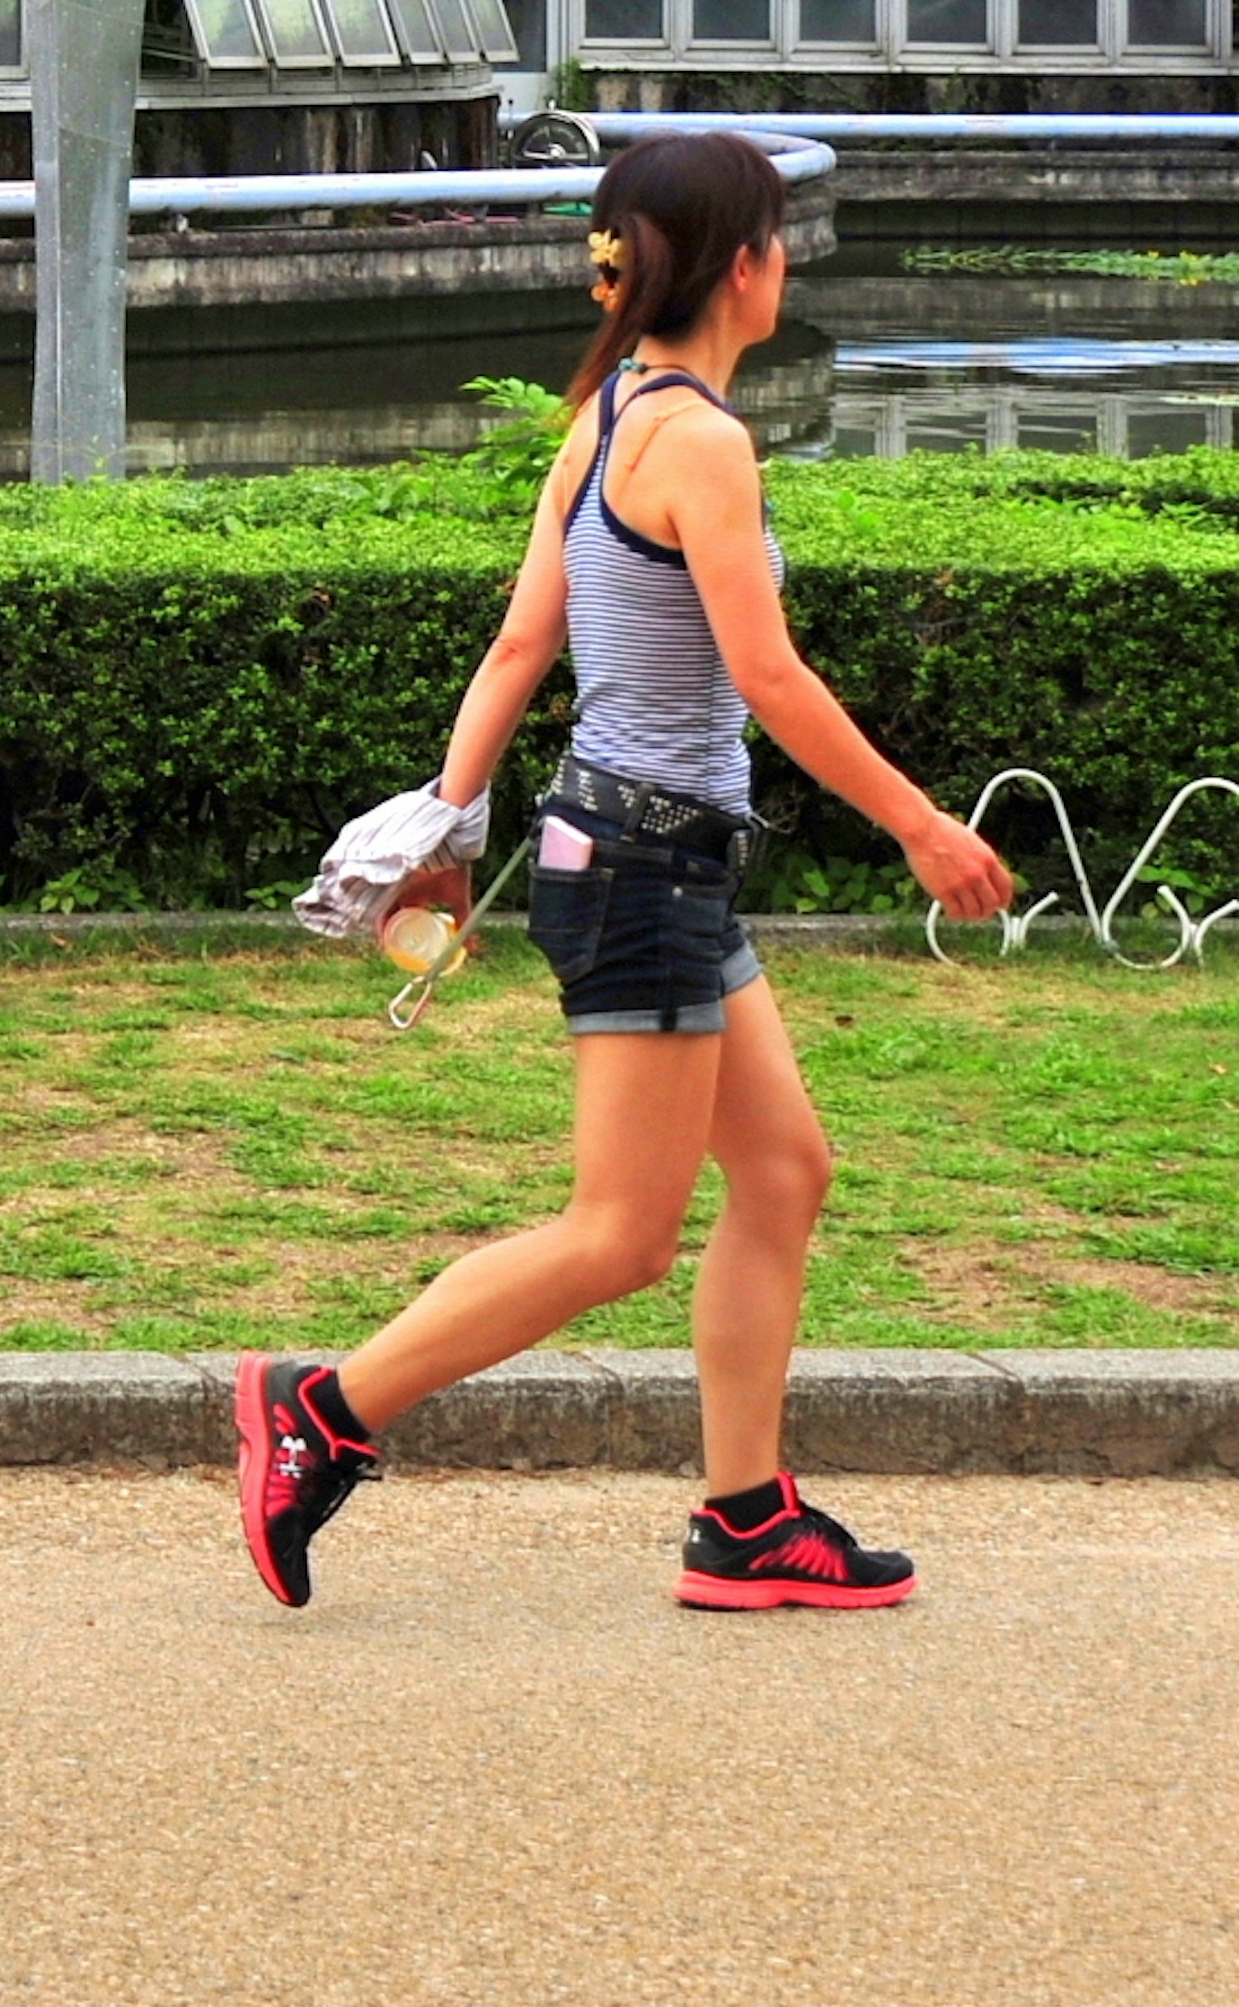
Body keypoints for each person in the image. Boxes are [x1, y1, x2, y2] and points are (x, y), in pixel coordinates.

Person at [235, 124, 1017, 1617]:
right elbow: (769, 679)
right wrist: (922, 825)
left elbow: (527, 644)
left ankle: (745, 1520)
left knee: (784, 1172)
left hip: (637, 854)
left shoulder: (605, 420)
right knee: (622, 1233)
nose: (790, 260)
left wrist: (449, 832)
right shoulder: (703, 442)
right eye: (783, 237)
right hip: (648, 868)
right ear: (744, 264)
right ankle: (324, 1410)